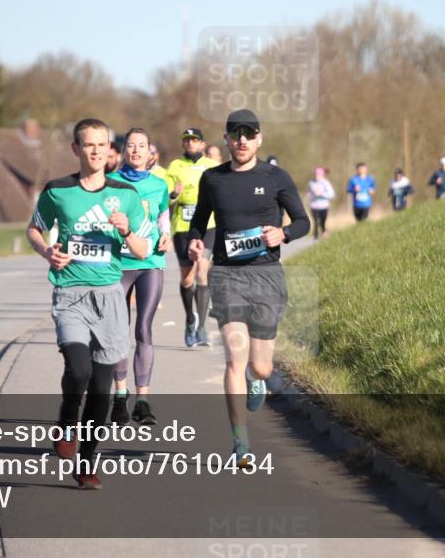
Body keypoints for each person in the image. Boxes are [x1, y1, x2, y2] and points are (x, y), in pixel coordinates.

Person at [26, 118, 148, 490]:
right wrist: (47, 250)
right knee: (77, 370)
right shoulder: (58, 191)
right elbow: (33, 229)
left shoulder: (126, 194)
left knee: (100, 388)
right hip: (70, 294)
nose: (96, 151)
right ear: (76, 149)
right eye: (88, 145)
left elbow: (143, 250)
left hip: (111, 298)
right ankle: (66, 423)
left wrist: (126, 230)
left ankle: (87, 462)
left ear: (110, 149)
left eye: (102, 144)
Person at [188, 109, 309, 466]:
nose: (241, 140)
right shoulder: (212, 179)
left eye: (248, 133)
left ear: (259, 138)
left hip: (267, 276)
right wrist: (195, 243)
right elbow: (198, 223)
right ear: (225, 139)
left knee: (262, 366)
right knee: (234, 359)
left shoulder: (276, 177)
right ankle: (240, 443)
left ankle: (258, 380)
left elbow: (303, 221)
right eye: (234, 134)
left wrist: (283, 233)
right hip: (227, 277)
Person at [107, 128, 171, 427]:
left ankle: (142, 401)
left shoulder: (159, 184)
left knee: (144, 328)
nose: (135, 151)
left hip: (150, 262)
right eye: (130, 146)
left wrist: (167, 235)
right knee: (119, 329)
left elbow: (162, 216)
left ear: (150, 153)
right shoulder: (111, 183)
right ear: (123, 152)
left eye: (141, 146)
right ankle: (120, 395)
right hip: (119, 264)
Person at [166, 127, 218, 347]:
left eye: (195, 140)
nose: (190, 143)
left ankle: (202, 327)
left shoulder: (213, 166)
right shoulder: (175, 166)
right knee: (187, 279)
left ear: (202, 144)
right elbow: (167, 199)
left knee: (202, 273)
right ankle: (190, 319)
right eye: (186, 140)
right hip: (183, 227)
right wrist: (175, 194)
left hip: (208, 226)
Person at [307, 167, 335, 240]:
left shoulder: (326, 183)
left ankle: (323, 230)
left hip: (324, 206)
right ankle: (315, 236)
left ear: (322, 175)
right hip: (314, 206)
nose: (317, 176)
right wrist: (310, 196)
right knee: (315, 221)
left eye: (319, 175)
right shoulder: (311, 182)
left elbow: (332, 194)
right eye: (316, 174)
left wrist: (322, 193)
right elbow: (309, 193)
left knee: (322, 221)